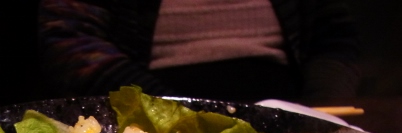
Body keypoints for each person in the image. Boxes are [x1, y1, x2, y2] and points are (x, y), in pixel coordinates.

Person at [38, 0, 362, 103]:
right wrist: (167, 109)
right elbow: (68, 37)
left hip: (286, 113)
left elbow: (335, 37)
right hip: (148, 113)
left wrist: (320, 114)